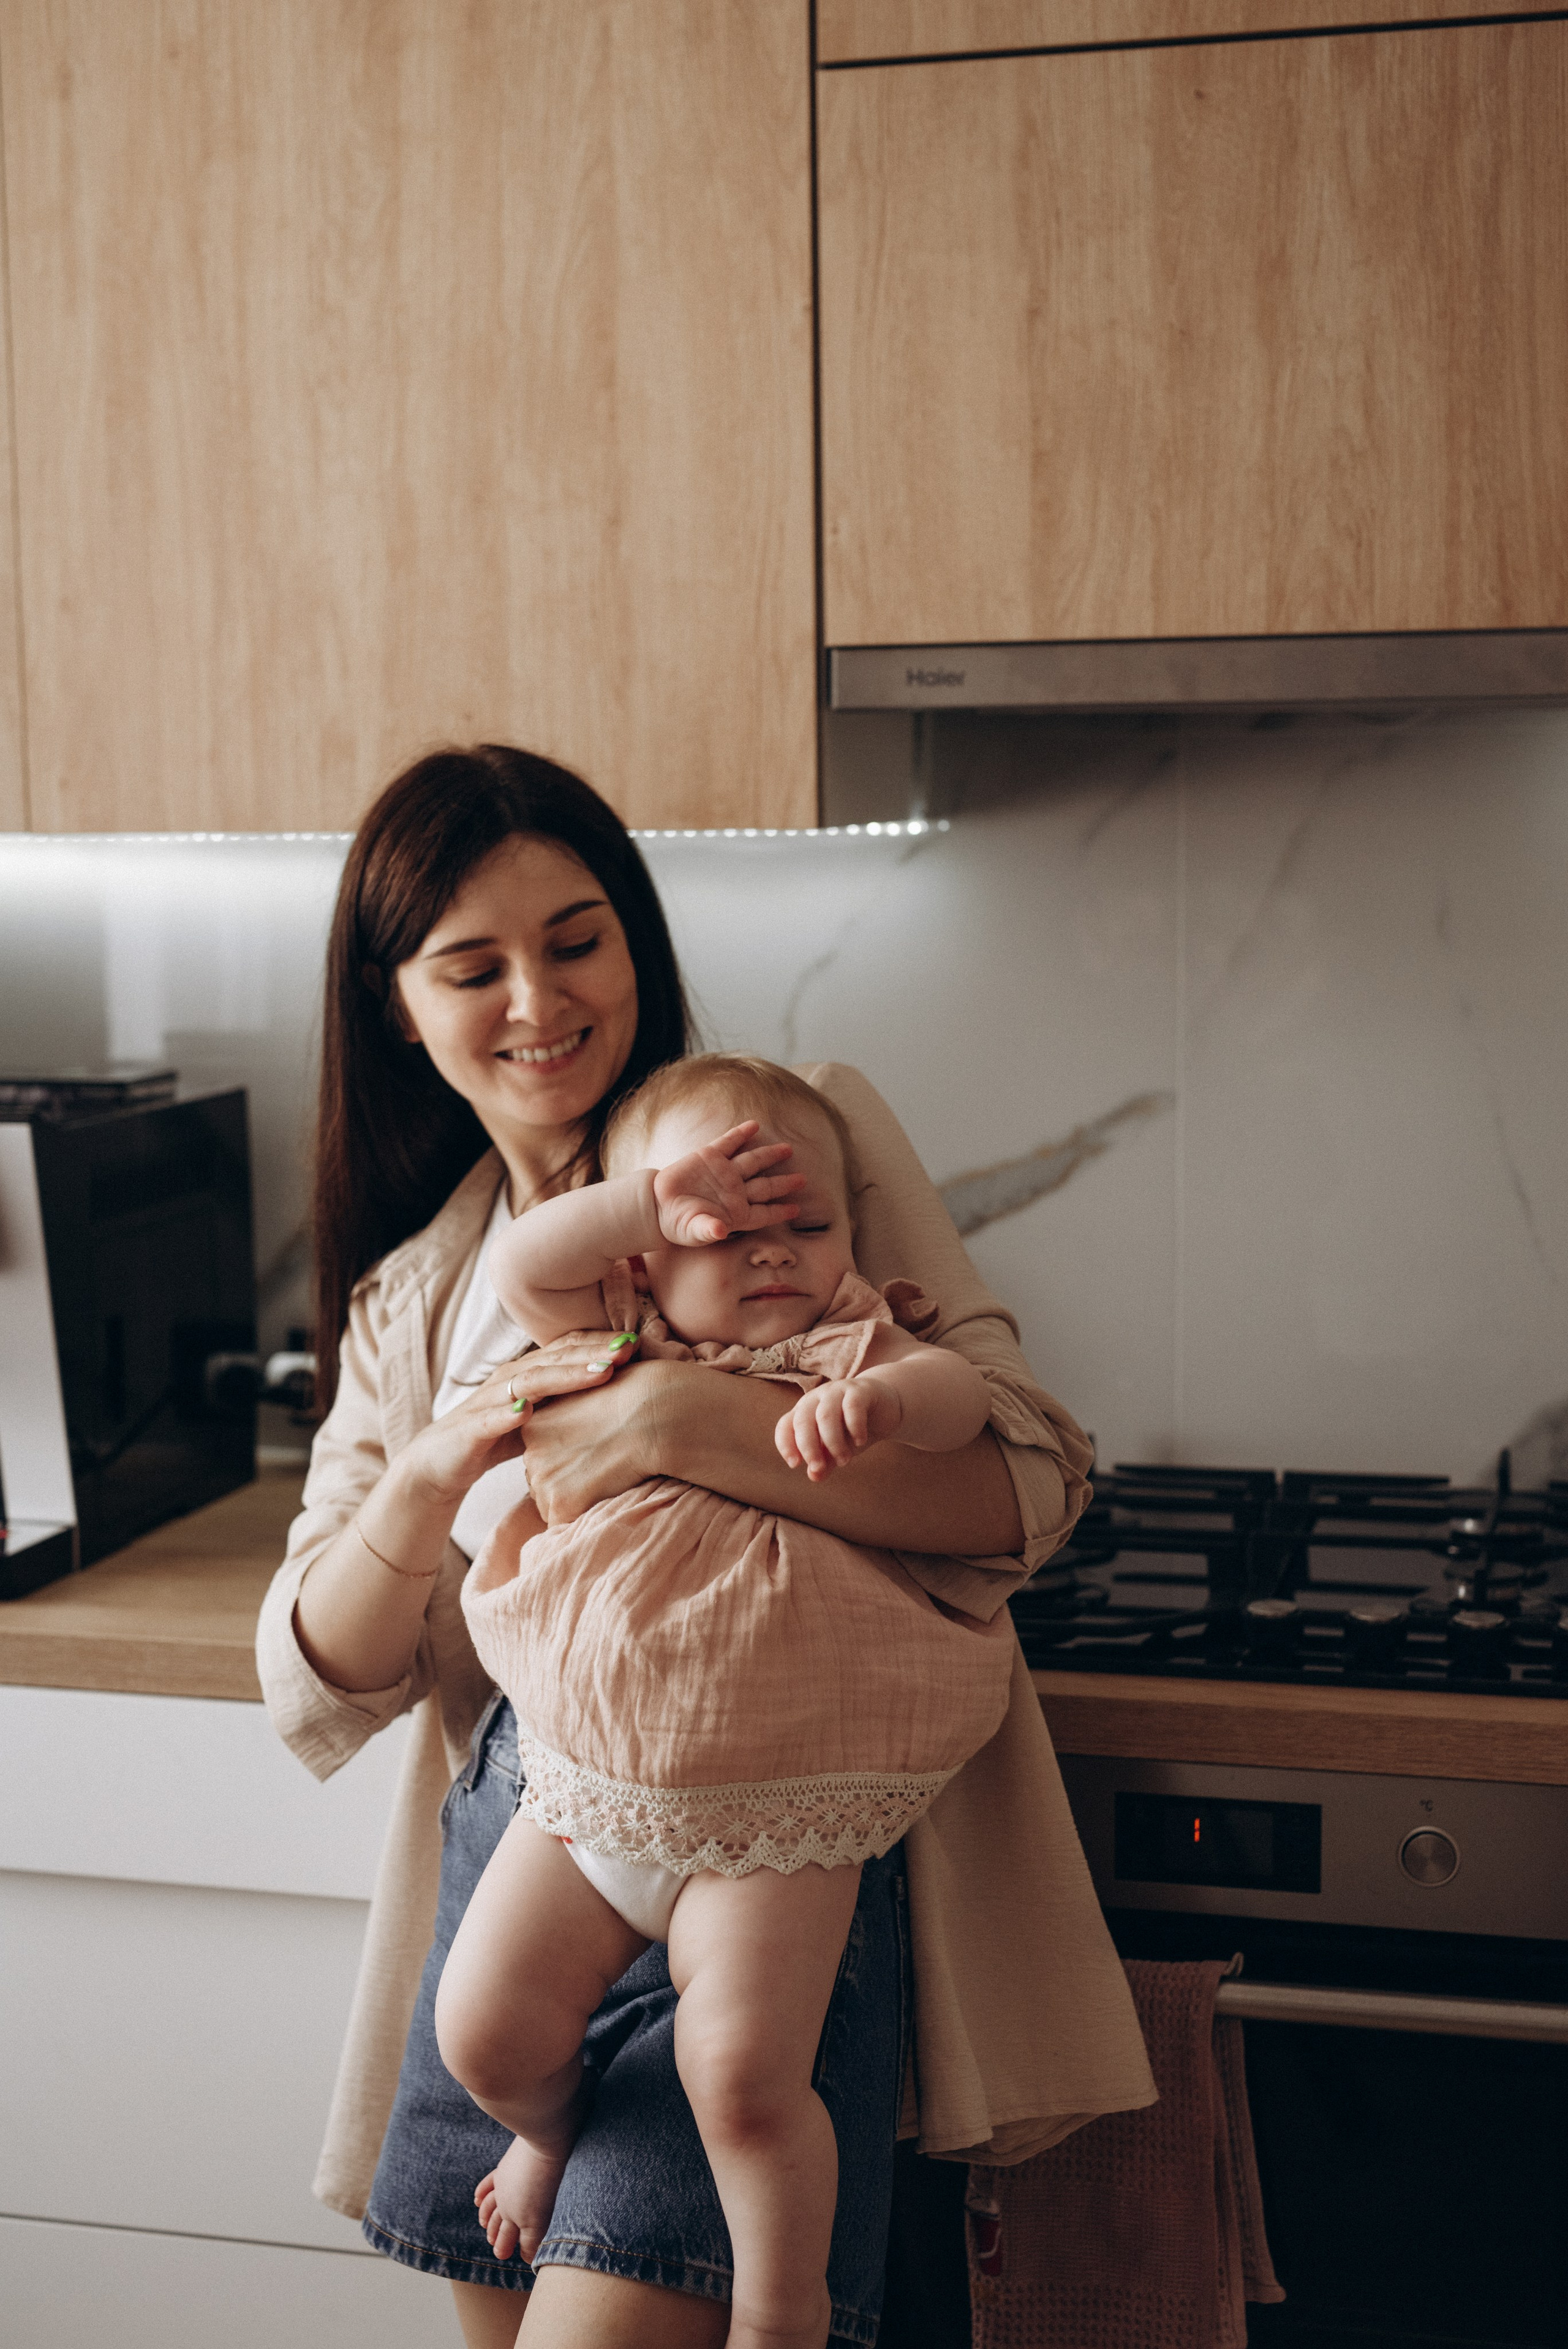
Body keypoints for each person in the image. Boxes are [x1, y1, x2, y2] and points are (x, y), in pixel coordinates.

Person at [256, 744, 1155, 2349]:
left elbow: (1031, 1481)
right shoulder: (422, 1285)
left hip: (765, 1823)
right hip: (519, 1857)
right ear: (402, 1006)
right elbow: (317, 1676)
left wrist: (668, 1426)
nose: (541, 997)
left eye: (578, 937)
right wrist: (420, 1489)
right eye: (475, 965)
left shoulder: (786, 1143)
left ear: (639, 943)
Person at [440, 1055, 1019, 2349]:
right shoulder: (612, 1329)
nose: (770, 1254)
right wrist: (657, 1197)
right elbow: (525, 1260)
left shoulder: (846, 1339)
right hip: (591, 1787)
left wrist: (881, 1402)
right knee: (484, 2032)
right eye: (719, 1229)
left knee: (743, 2083)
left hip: (783, 1810)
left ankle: (780, 2308)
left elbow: (966, 1396)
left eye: (804, 1226)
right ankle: (547, 2131)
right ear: (642, 1256)